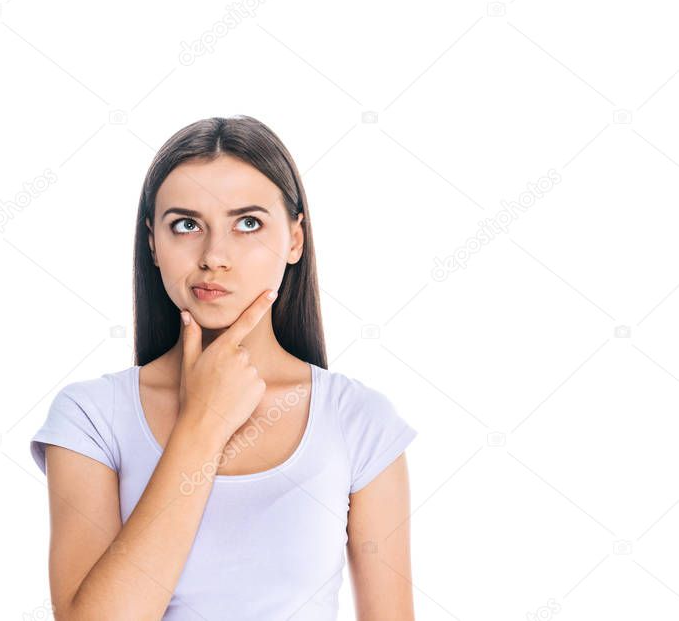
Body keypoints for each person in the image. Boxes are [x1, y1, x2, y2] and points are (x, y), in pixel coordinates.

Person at [29, 115, 418, 620]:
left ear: (295, 239)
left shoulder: (359, 420)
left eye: (248, 223)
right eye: (186, 225)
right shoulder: (90, 417)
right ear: (153, 242)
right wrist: (204, 422)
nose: (215, 256)